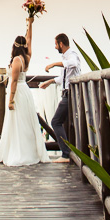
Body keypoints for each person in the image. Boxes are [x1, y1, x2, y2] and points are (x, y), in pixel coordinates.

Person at [0, 16, 49, 166]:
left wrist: (10, 100)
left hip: (18, 92)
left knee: (17, 123)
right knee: (22, 123)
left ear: (14, 46)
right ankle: (12, 151)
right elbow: (30, 40)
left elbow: (14, 81)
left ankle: (18, 153)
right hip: (25, 92)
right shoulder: (27, 57)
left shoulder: (17, 60)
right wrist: (30, 23)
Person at [40, 33, 81, 162]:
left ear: (61, 44)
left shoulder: (72, 55)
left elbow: (72, 63)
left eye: (56, 44)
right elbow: (64, 79)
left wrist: (53, 64)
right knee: (62, 122)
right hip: (67, 93)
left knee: (55, 122)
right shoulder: (66, 57)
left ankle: (66, 154)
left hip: (70, 94)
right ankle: (67, 152)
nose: (55, 47)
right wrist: (49, 81)